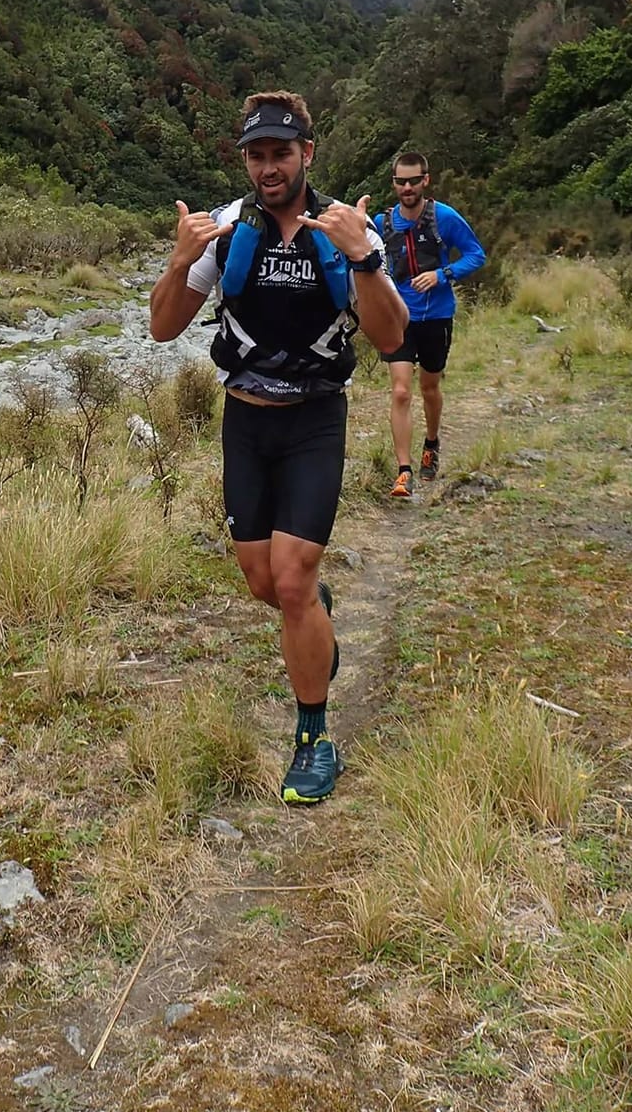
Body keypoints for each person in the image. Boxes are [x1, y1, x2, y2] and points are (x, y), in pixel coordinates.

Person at [149, 91, 408, 804]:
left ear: (307, 155)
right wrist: (178, 263)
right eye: (256, 155)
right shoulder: (228, 232)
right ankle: (312, 617)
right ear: (245, 160)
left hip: (314, 424)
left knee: (290, 581)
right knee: (267, 584)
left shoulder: (342, 230)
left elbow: (390, 336)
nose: (269, 168)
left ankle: (314, 738)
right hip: (245, 425)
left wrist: (366, 259)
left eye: (281, 153)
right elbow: (164, 328)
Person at [374, 152, 486, 500]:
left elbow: (475, 254)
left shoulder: (444, 218)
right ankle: (403, 471)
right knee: (401, 391)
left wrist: (441, 274)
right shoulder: (384, 223)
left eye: (413, 181)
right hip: (399, 319)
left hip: (437, 316)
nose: (406, 188)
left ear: (426, 180)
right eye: (400, 182)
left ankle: (432, 443)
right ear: (393, 183)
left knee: (429, 388)